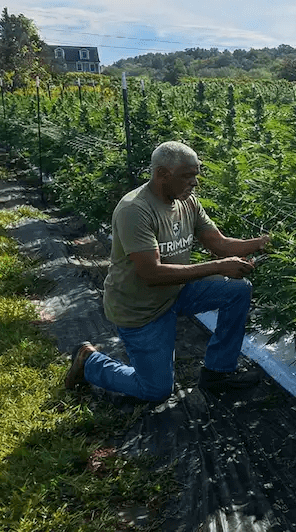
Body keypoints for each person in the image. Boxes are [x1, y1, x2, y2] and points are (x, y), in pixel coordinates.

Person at [65, 141, 270, 401]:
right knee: (156, 390)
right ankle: (90, 363)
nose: (194, 182)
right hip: (141, 308)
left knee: (237, 290)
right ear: (162, 174)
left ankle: (219, 372)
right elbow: (152, 274)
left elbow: (219, 243)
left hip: (176, 292)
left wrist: (261, 243)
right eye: (187, 176)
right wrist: (219, 266)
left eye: (196, 175)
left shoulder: (188, 203)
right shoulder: (135, 210)